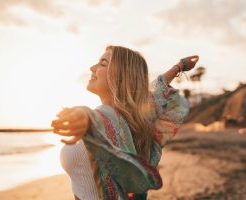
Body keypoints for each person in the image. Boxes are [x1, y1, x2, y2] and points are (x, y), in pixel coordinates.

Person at [51, 45, 199, 200]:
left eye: (102, 63)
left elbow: (95, 119)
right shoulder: (137, 120)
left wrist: (84, 116)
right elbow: (157, 92)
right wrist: (179, 67)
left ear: (121, 76)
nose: (92, 67)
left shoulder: (105, 118)